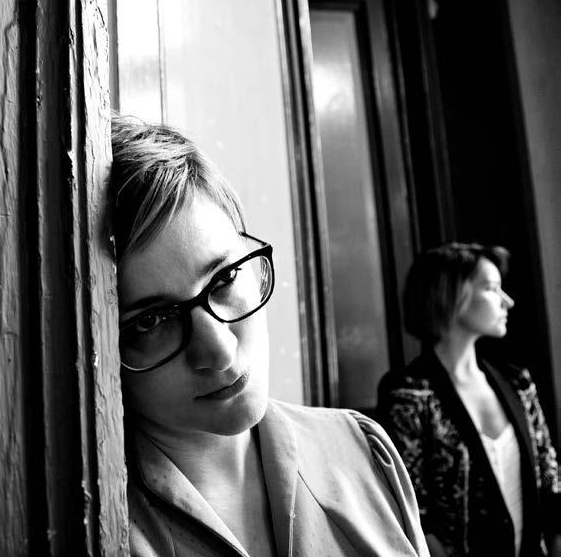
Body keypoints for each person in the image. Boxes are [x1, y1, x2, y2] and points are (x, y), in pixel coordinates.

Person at [109, 115, 430, 557]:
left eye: (224, 278)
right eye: (151, 321)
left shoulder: (361, 451)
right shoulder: (99, 524)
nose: (220, 352)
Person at [377, 243, 561, 557]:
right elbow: (411, 508)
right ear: (452, 296)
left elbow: (550, 479)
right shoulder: (409, 394)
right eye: (491, 288)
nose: (507, 301)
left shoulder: (517, 383)